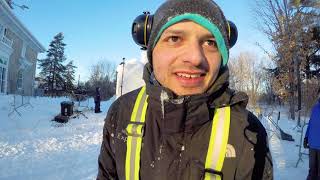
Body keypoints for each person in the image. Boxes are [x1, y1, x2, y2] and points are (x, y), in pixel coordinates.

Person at [97, 0, 273, 179]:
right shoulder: (121, 114)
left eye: (210, 42)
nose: (195, 57)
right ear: (152, 50)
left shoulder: (248, 132)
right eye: (174, 39)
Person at [304, 91, 320, 180]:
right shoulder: (315, 108)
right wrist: (306, 137)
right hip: (312, 145)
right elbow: (310, 124)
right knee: (312, 171)